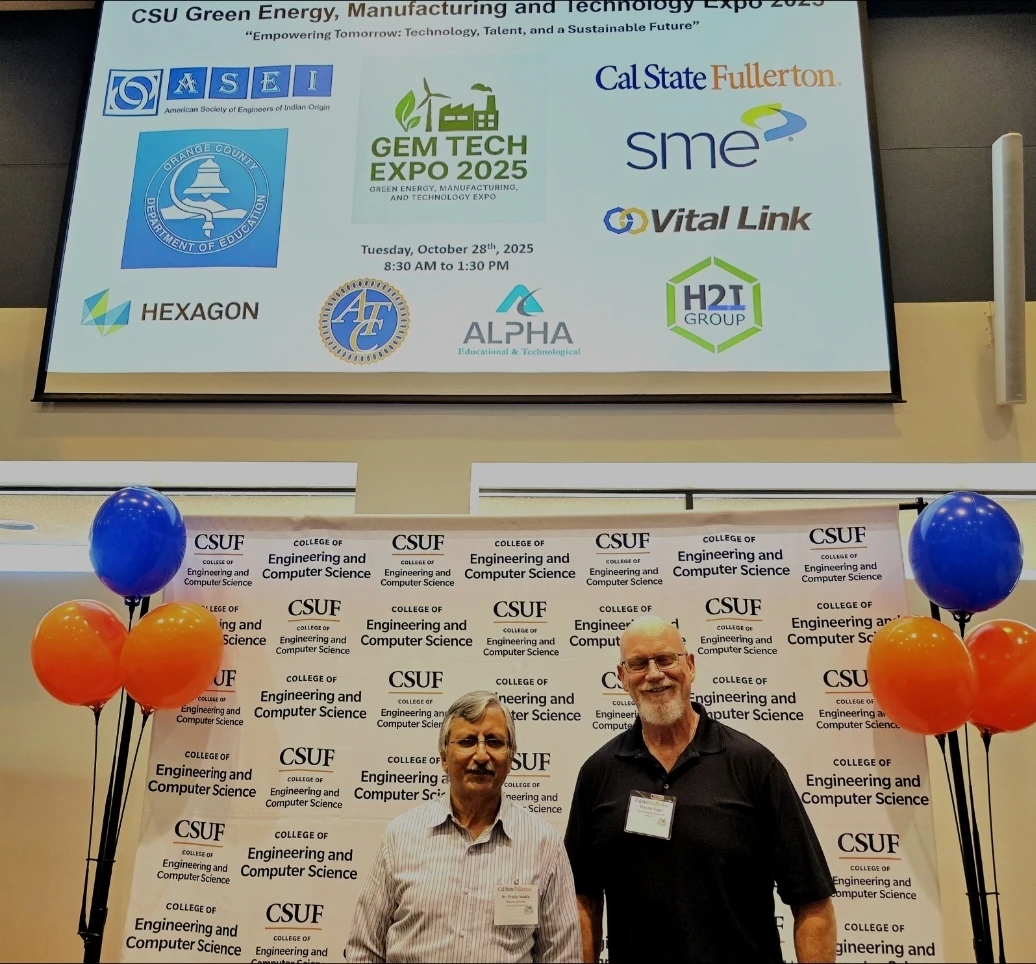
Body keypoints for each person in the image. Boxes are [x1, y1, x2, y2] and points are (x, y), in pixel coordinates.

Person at [565, 615, 836, 964]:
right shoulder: (598, 773)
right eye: (638, 664)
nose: (653, 674)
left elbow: (812, 899)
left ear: (689, 666)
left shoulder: (753, 765)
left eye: (665, 659)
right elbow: (581, 899)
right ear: (622, 678)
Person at [346, 689, 581, 964]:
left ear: (511, 758)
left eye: (494, 742)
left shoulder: (543, 844)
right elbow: (364, 949)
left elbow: (562, 956)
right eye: (468, 741)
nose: (481, 755)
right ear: (444, 758)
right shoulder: (401, 836)